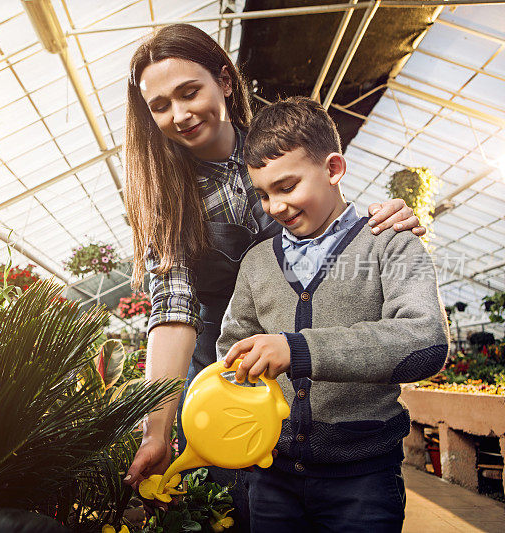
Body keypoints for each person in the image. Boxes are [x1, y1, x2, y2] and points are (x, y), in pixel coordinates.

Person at [121, 23, 426, 527]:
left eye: (189, 91)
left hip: (316, 364)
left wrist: (385, 221)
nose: (179, 115)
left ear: (224, 80)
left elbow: (335, 217)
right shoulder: (164, 195)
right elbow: (173, 312)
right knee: (239, 506)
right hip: (229, 371)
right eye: (159, 106)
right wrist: (157, 431)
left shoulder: (279, 145)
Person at [217, 96, 450, 531]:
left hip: (362, 482)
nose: (274, 207)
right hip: (272, 480)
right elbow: (231, 351)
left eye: (287, 187)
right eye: (263, 194)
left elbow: (425, 343)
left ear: (333, 169)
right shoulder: (257, 262)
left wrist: (299, 349)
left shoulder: (391, 242)